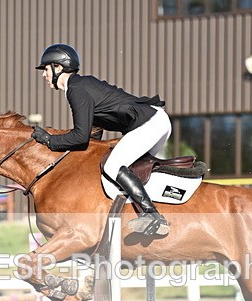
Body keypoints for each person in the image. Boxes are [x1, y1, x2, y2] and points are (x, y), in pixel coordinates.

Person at [31, 43, 170, 236]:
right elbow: (92, 134)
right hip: (156, 121)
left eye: (45, 69)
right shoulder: (81, 86)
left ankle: (152, 217)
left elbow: (80, 137)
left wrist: (49, 140)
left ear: (58, 67)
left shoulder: (76, 89)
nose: (43, 75)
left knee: (113, 166)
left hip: (150, 123)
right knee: (133, 170)